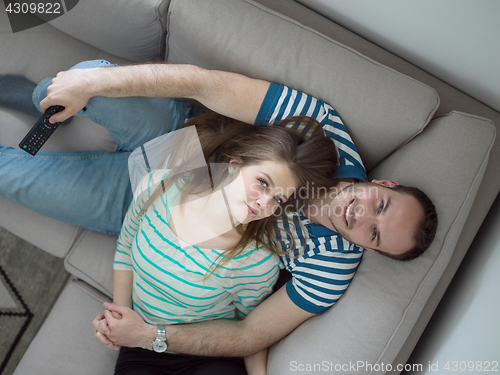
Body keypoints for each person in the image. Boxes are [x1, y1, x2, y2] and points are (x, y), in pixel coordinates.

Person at [1, 60, 437, 373]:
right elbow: (202, 82)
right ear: (387, 186)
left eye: (373, 235)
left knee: (11, 177)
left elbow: (249, 333)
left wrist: (145, 333)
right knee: (80, 77)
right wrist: (90, 82)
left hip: (142, 207)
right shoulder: (319, 130)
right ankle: (37, 98)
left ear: (367, 247)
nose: (360, 217)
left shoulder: (328, 268)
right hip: (184, 142)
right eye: (380, 206)